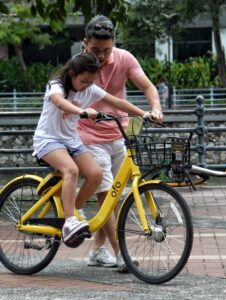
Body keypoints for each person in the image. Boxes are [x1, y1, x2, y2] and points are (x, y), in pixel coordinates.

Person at [32, 52, 149, 247]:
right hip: (48, 140)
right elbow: (60, 102)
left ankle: (74, 209)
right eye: (83, 81)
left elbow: (118, 102)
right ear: (71, 74)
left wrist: (145, 113)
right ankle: (69, 221)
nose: (86, 86)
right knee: (71, 170)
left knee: (96, 174)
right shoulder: (56, 85)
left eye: (90, 82)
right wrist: (82, 112)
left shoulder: (90, 89)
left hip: (71, 141)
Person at [77, 15, 164, 271]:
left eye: (106, 50)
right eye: (95, 50)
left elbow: (148, 86)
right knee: (107, 195)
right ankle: (120, 254)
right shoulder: (79, 64)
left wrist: (156, 108)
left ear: (114, 44)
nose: (102, 56)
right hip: (88, 136)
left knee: (113, 199)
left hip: (119, 134)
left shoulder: (125, 58)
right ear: (85, 44)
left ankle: (95, 251)